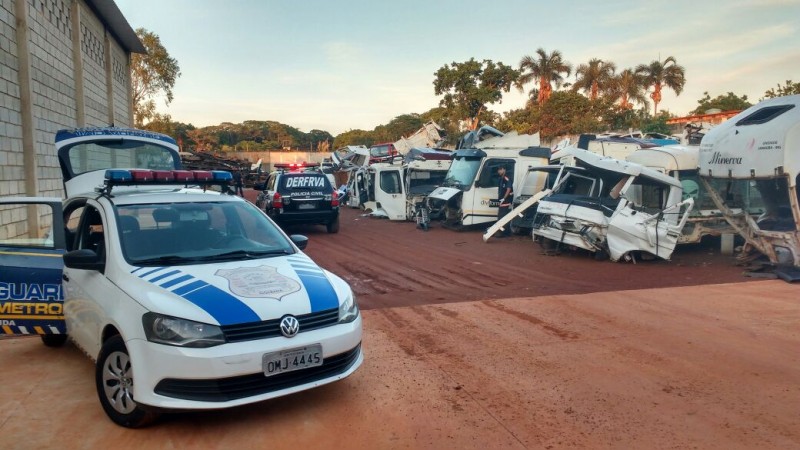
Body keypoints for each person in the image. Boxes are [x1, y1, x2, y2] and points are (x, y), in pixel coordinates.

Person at [496, 165, 513, 238]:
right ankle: (505, 233)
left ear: (504, 170)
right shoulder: (501, 179)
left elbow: (508, 189)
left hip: (506, 201)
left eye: (500, 169)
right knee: (502, 217)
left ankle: (503, 233)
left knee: (502, 217)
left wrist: (504, 198)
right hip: (502, 201)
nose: (499, 171)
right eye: (498, 170)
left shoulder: (507, 178)